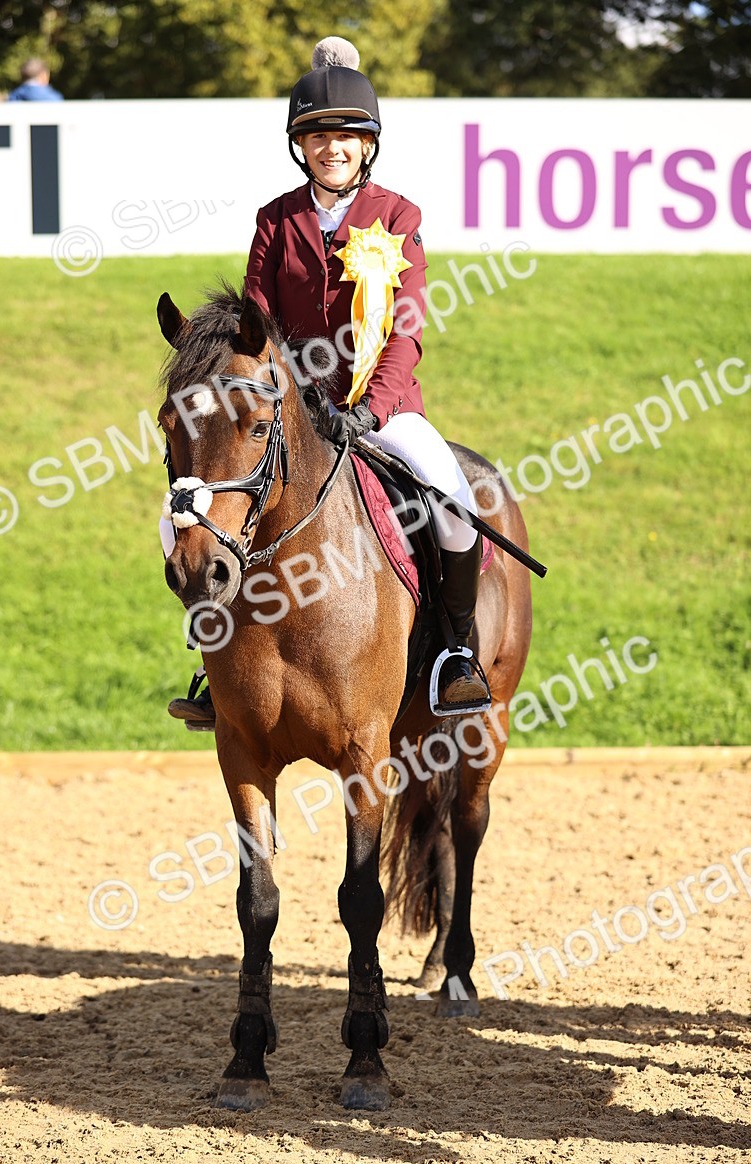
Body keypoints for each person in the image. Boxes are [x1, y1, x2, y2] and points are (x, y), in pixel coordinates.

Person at [166, 36, 489, 728]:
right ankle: (210, 661)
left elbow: (404, 333)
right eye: (316, 135)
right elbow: (255, 322)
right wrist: (282, 397)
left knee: (453, 502)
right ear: (300, 146)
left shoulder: (399, 218)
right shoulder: (274, 221)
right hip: (294, 410)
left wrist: (370, 413)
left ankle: (455, 655)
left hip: (384, 411)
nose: (331, 146)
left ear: (367, 145)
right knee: (201, 511)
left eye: (345, 134)